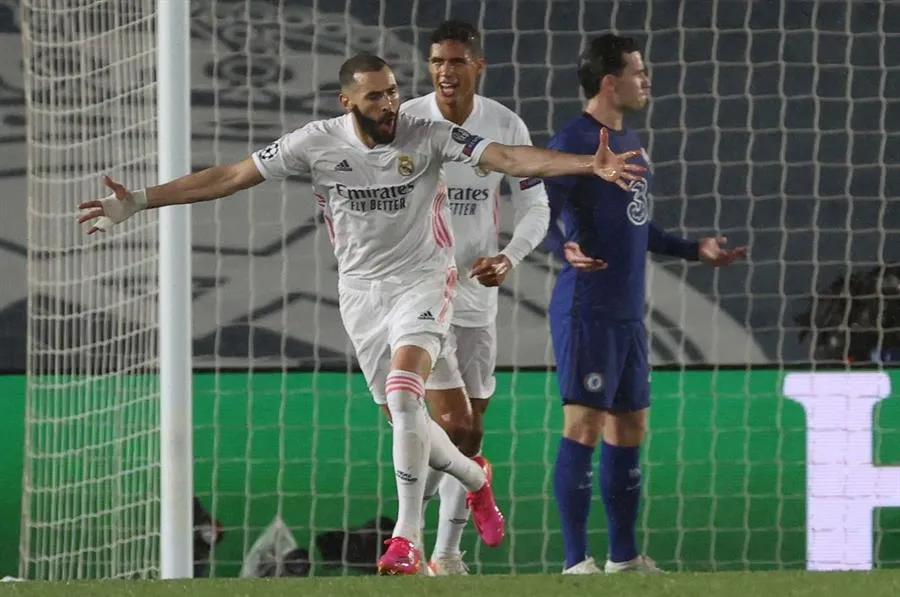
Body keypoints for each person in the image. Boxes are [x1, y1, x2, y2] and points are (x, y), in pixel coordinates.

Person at [78, 52, 645, 577]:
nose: (389, 103)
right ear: (346, 101)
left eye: (393, 91)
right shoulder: (315, 142)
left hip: (425, 280)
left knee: (404, 393)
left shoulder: (428, 134)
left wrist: (584, 165)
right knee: (407, 420)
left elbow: (510, 157)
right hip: (361, 294)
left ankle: (406, 538)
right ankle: (475, 477)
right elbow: (229, 176)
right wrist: (138, 201)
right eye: (375, 95)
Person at [541, 34, 747, 575]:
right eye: (638, 71)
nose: (646, 79)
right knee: (584, 425)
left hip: (628, 313)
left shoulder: (629, 141)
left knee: (630, 426)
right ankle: (575, 562)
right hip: (588, 308)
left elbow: (636, 225)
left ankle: (624, 557)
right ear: (610, 82)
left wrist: (694, 251)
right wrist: (562, 245)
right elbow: (539, 208)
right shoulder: (575, 140)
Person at [399, 20, 550, 576]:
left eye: (457, 61)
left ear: (477, 66)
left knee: (470, 430)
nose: (446, 71)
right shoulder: (408, 121)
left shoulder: (504, 124)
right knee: (437, 424)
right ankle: (408, 537)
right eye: (437, 61)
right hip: (418, 292)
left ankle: (445, 553)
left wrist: (509, 256)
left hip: (475, 295)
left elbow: (536, 205)